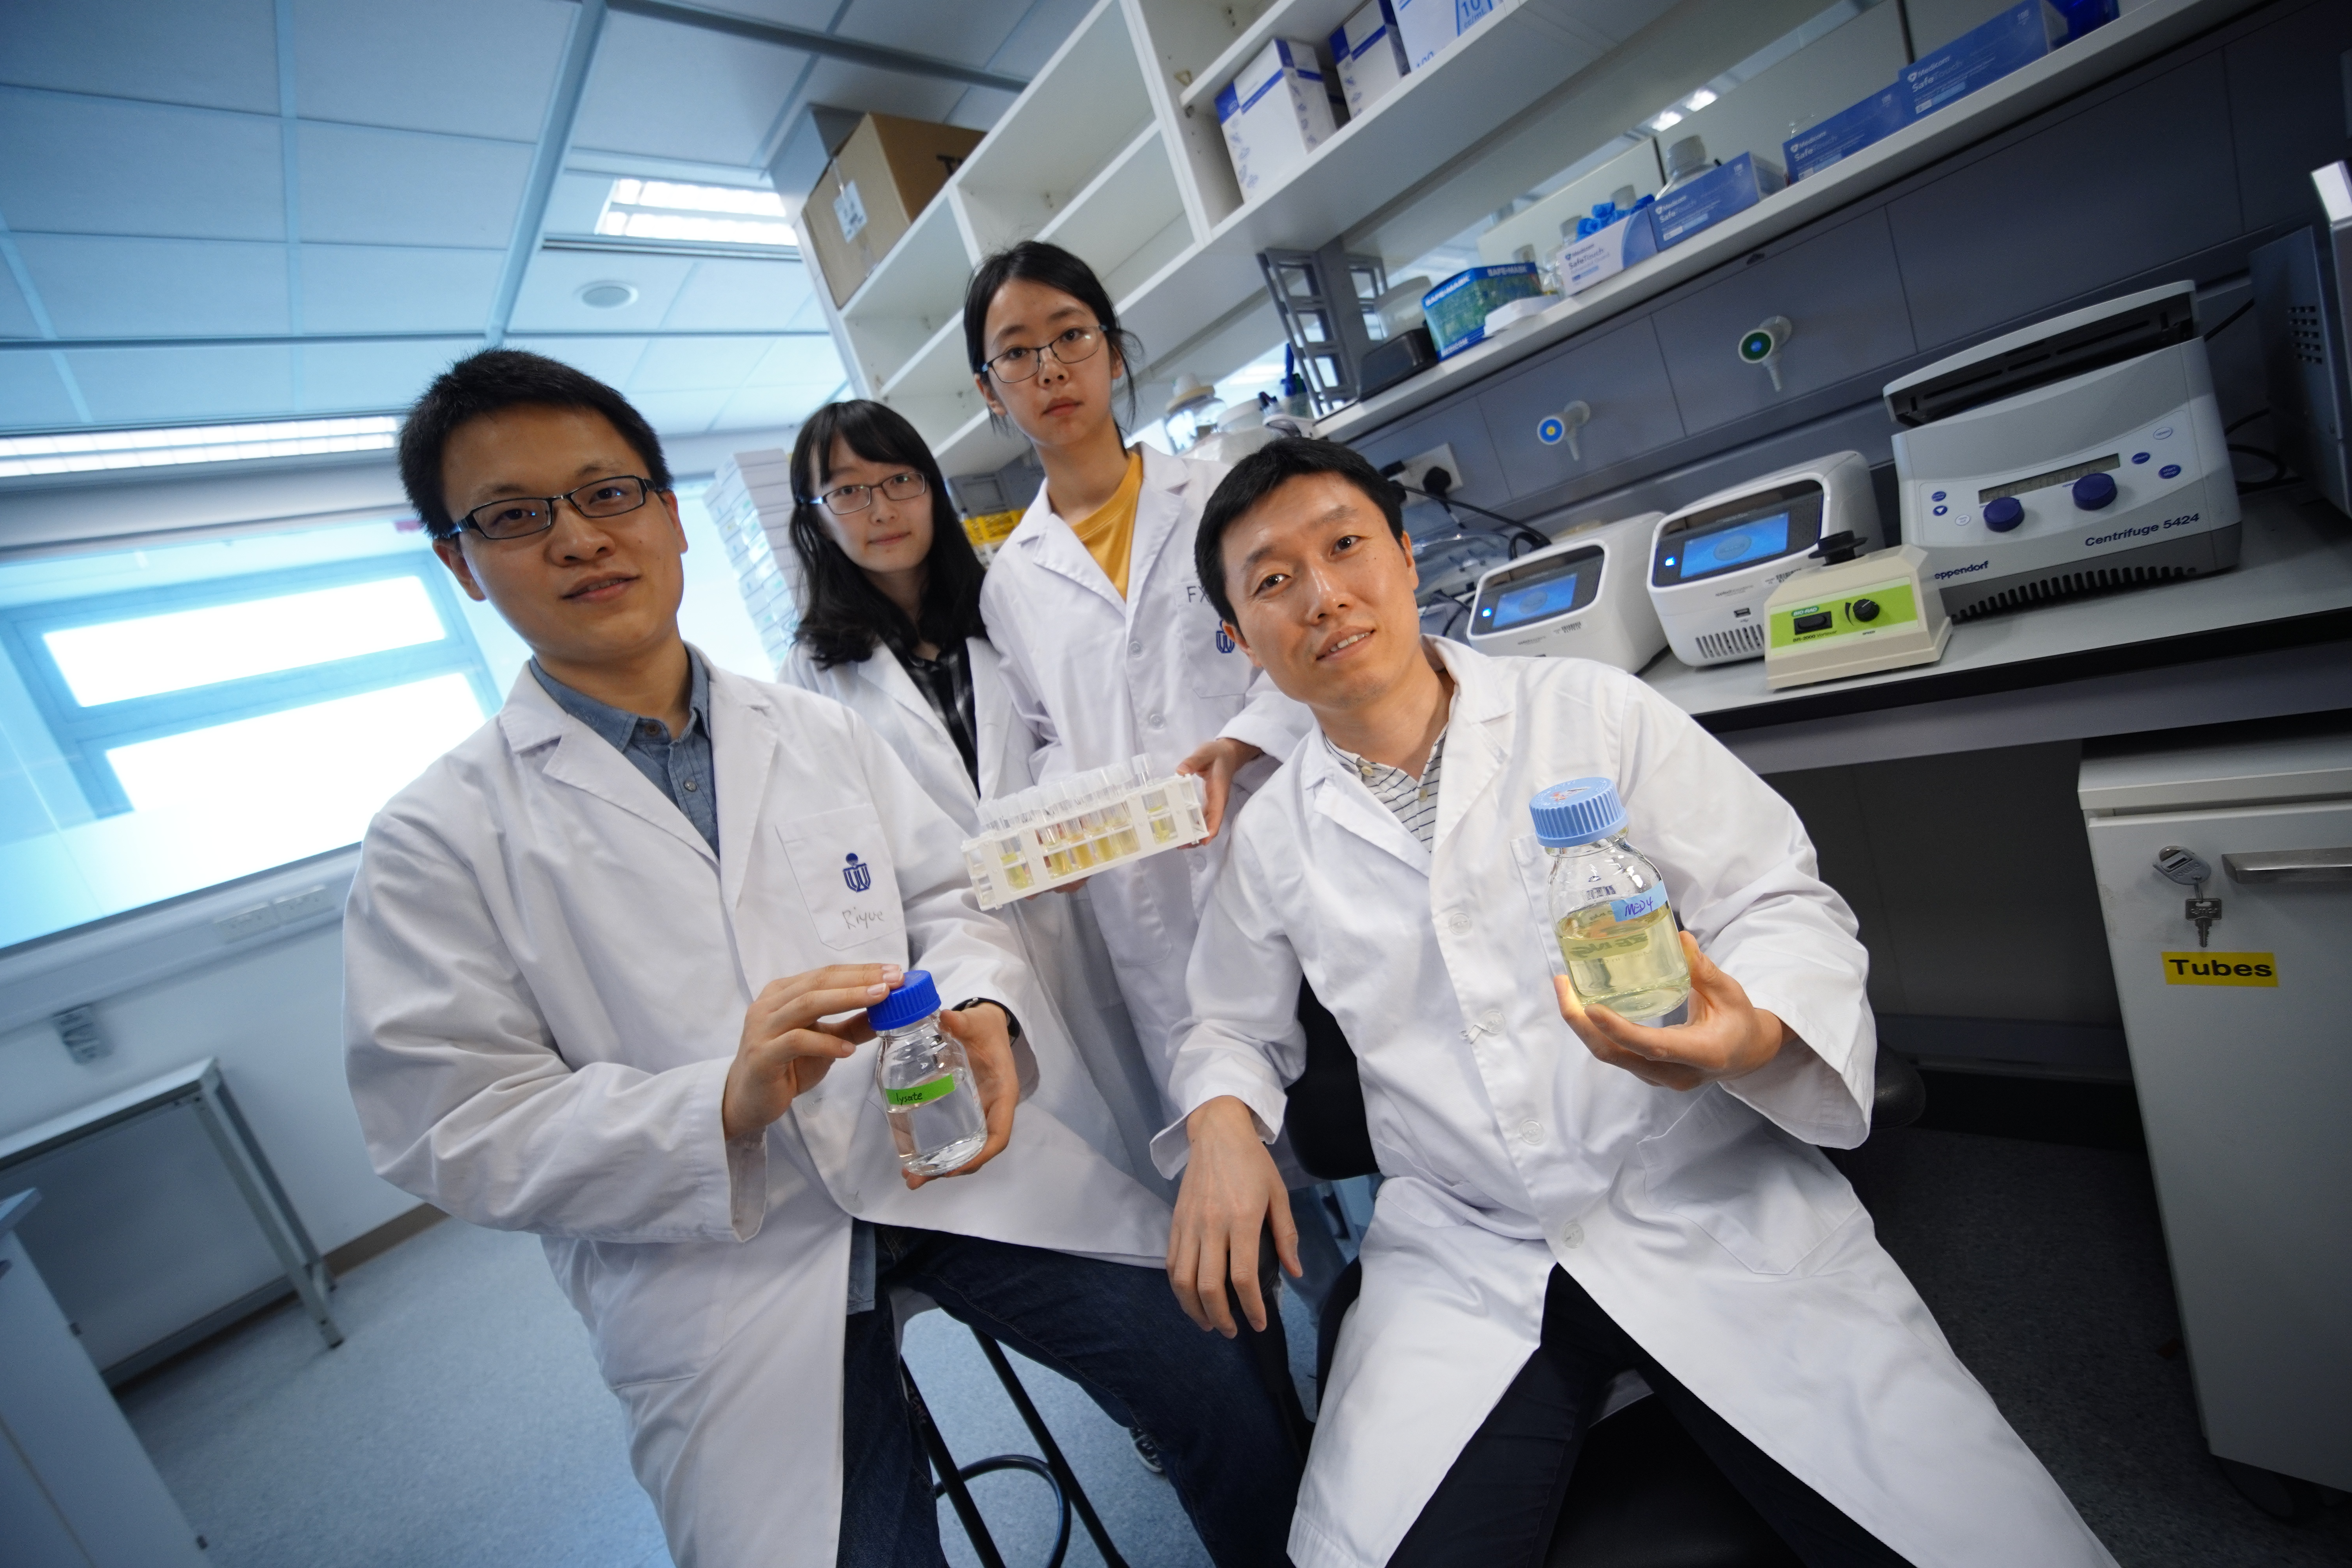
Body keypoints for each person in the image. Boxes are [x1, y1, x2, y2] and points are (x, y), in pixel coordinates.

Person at [341, 349, 1305, 1568]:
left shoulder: (812, 733)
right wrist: (718, 1106)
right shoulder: (436, 839)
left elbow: (948, 897)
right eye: (515, 517)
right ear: (459, 564)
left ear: (669, 514)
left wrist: (983, 1007)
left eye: (608, 493)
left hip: (933, 1152)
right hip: (715, 1251)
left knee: (1217, 1360)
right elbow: (448, 1126)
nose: (580, 538)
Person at [1160, 437, 2121, 1568]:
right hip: (1471, 1244)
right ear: (1241, 639)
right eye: (1273, 580)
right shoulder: (1275, 838)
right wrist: (1221, 1121)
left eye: (1346, 546)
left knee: (1962, 1538)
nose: (1323, 595)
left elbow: (1774, 900)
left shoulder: (1591, 713)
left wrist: (1756, 1030)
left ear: (1408, 560)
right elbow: (1226, 1020)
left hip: (1693, 1188)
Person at [777, 397, 1167, 1193]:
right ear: (814, 517)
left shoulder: (1006, 608)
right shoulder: (811, 678)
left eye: (900, 480)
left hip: (1079, 910)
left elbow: (1077, 733)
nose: (882, 509)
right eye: (848, 491)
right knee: (1060, 1170)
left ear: (932, 487)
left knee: (1158, 1114)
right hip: (957, 953)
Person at [966, 241, 1313, 1102]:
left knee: (1351, 1097)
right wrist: (1061, 827)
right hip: (1149, 898)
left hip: (1279, 832)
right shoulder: (1011, 581)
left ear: (1113, 351)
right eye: (1017, 353)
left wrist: (1239, 744)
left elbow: (1300, 654)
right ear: (990, 390)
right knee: (1229, 1119)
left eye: (1070, 335)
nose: (1050, 369)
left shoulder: (1223, 498)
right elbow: (1047, 735)